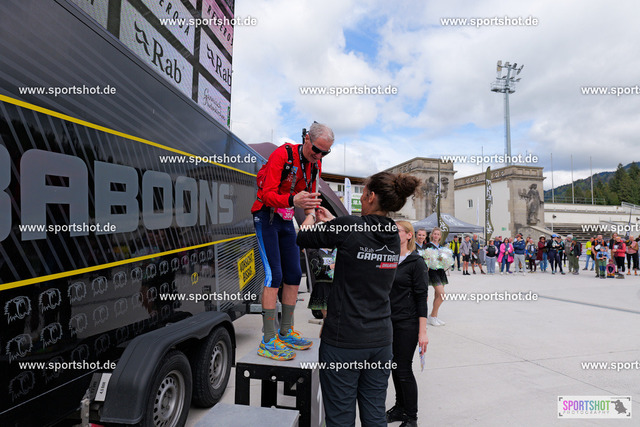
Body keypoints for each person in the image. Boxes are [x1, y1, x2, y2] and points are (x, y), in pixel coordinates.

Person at [297, 171, 420, 427]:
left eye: (363, 194)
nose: (361, 199)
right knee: (375, 415)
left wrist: (309, 214)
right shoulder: (392, 233)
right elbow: (361, 236)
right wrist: (335, 222)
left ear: (371, 196)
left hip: (345, 340)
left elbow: (303, 237)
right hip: (380, 341)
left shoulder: (350, 227)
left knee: (340, 418)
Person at [252, 122, 334, 360]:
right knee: (274, 275)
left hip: (286, 218)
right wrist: (292, 200)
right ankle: (268, 339)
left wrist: (310, 214)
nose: (319, 156)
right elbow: (266, 194)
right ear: (307, 139)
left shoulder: (316, 163)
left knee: (294, 274)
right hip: (266, 215)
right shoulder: (283, 154)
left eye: (325, 153)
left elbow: (310, 198)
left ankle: (286, 332)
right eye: (316, 150)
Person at [386, 221, 429, 427]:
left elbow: (422, 298)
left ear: (409, 235)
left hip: (408, 323)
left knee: (403, 369)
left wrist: (423, 332)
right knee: (394, 367)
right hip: (389, 321)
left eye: (397, 230)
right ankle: (400, 408)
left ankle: (411, 417)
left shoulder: (416, 262)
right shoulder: (389, 258)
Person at [427, 227, 448, 326]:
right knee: (442, 295)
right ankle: (432, 316)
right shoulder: (428, 245)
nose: (436, 236)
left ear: (440, 236)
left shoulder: (441, 246)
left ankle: (434, 316)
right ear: (432, 235)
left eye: (438, 234)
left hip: (441, 271)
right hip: (433, 271)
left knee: (437, 296)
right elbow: (427, 258)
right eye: (434, 234)